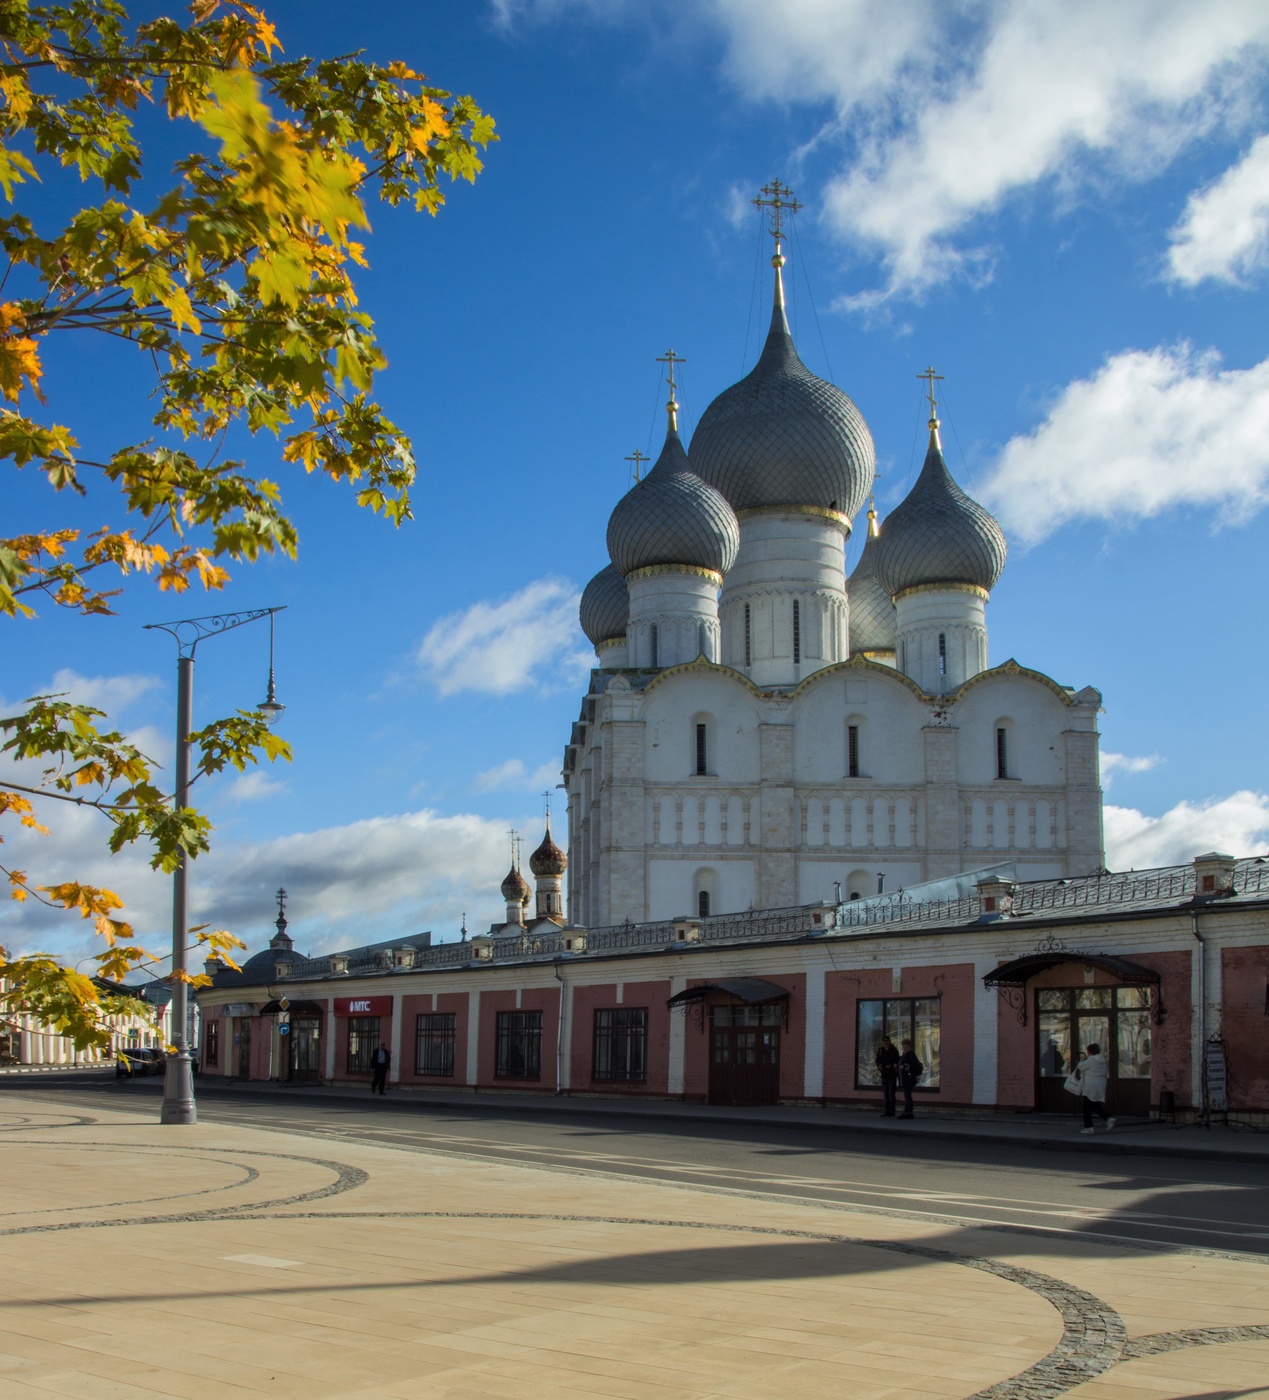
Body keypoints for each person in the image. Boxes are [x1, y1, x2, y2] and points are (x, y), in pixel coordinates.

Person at [1074, 1043, 1114, 1133]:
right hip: (1101, 1083)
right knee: (1094, 1104)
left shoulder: (1091, 1060)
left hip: (1091, 1084)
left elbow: (1080, 1067)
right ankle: (1108, 1118)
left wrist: (1082, 1060)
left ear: (1089, 1052)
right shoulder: (1102, 1059)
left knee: (1087, 1106)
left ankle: (1089, 1127)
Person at [897, 1038, 923, 1119]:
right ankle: (908, 1111)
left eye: (906, 1046)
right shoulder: (903, 1056)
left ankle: (908, 1112)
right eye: (903, 1046)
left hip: (908, 1079)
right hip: (903, 1079)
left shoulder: (911, 1055)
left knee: (907, 1096)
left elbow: (913, 1065)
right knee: (907, 1095)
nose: (905, 1048)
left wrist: (904, 1066)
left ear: (910, 1047)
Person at [875, 1035, 900, 1116]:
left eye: (887, 1041)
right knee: (886, 1094)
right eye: (884, 1041)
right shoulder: (880, 1050)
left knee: (891, 1094)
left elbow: (897, 1061)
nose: (886, 1043)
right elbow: (877, 1060)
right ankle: (886, 1111)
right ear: (882, 1043)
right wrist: (879, 1065)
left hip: (892, 1075)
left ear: (890, 1042)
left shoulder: (894, 1050)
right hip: (884, 1074)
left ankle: (892, 1111)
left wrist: (891, 1065)